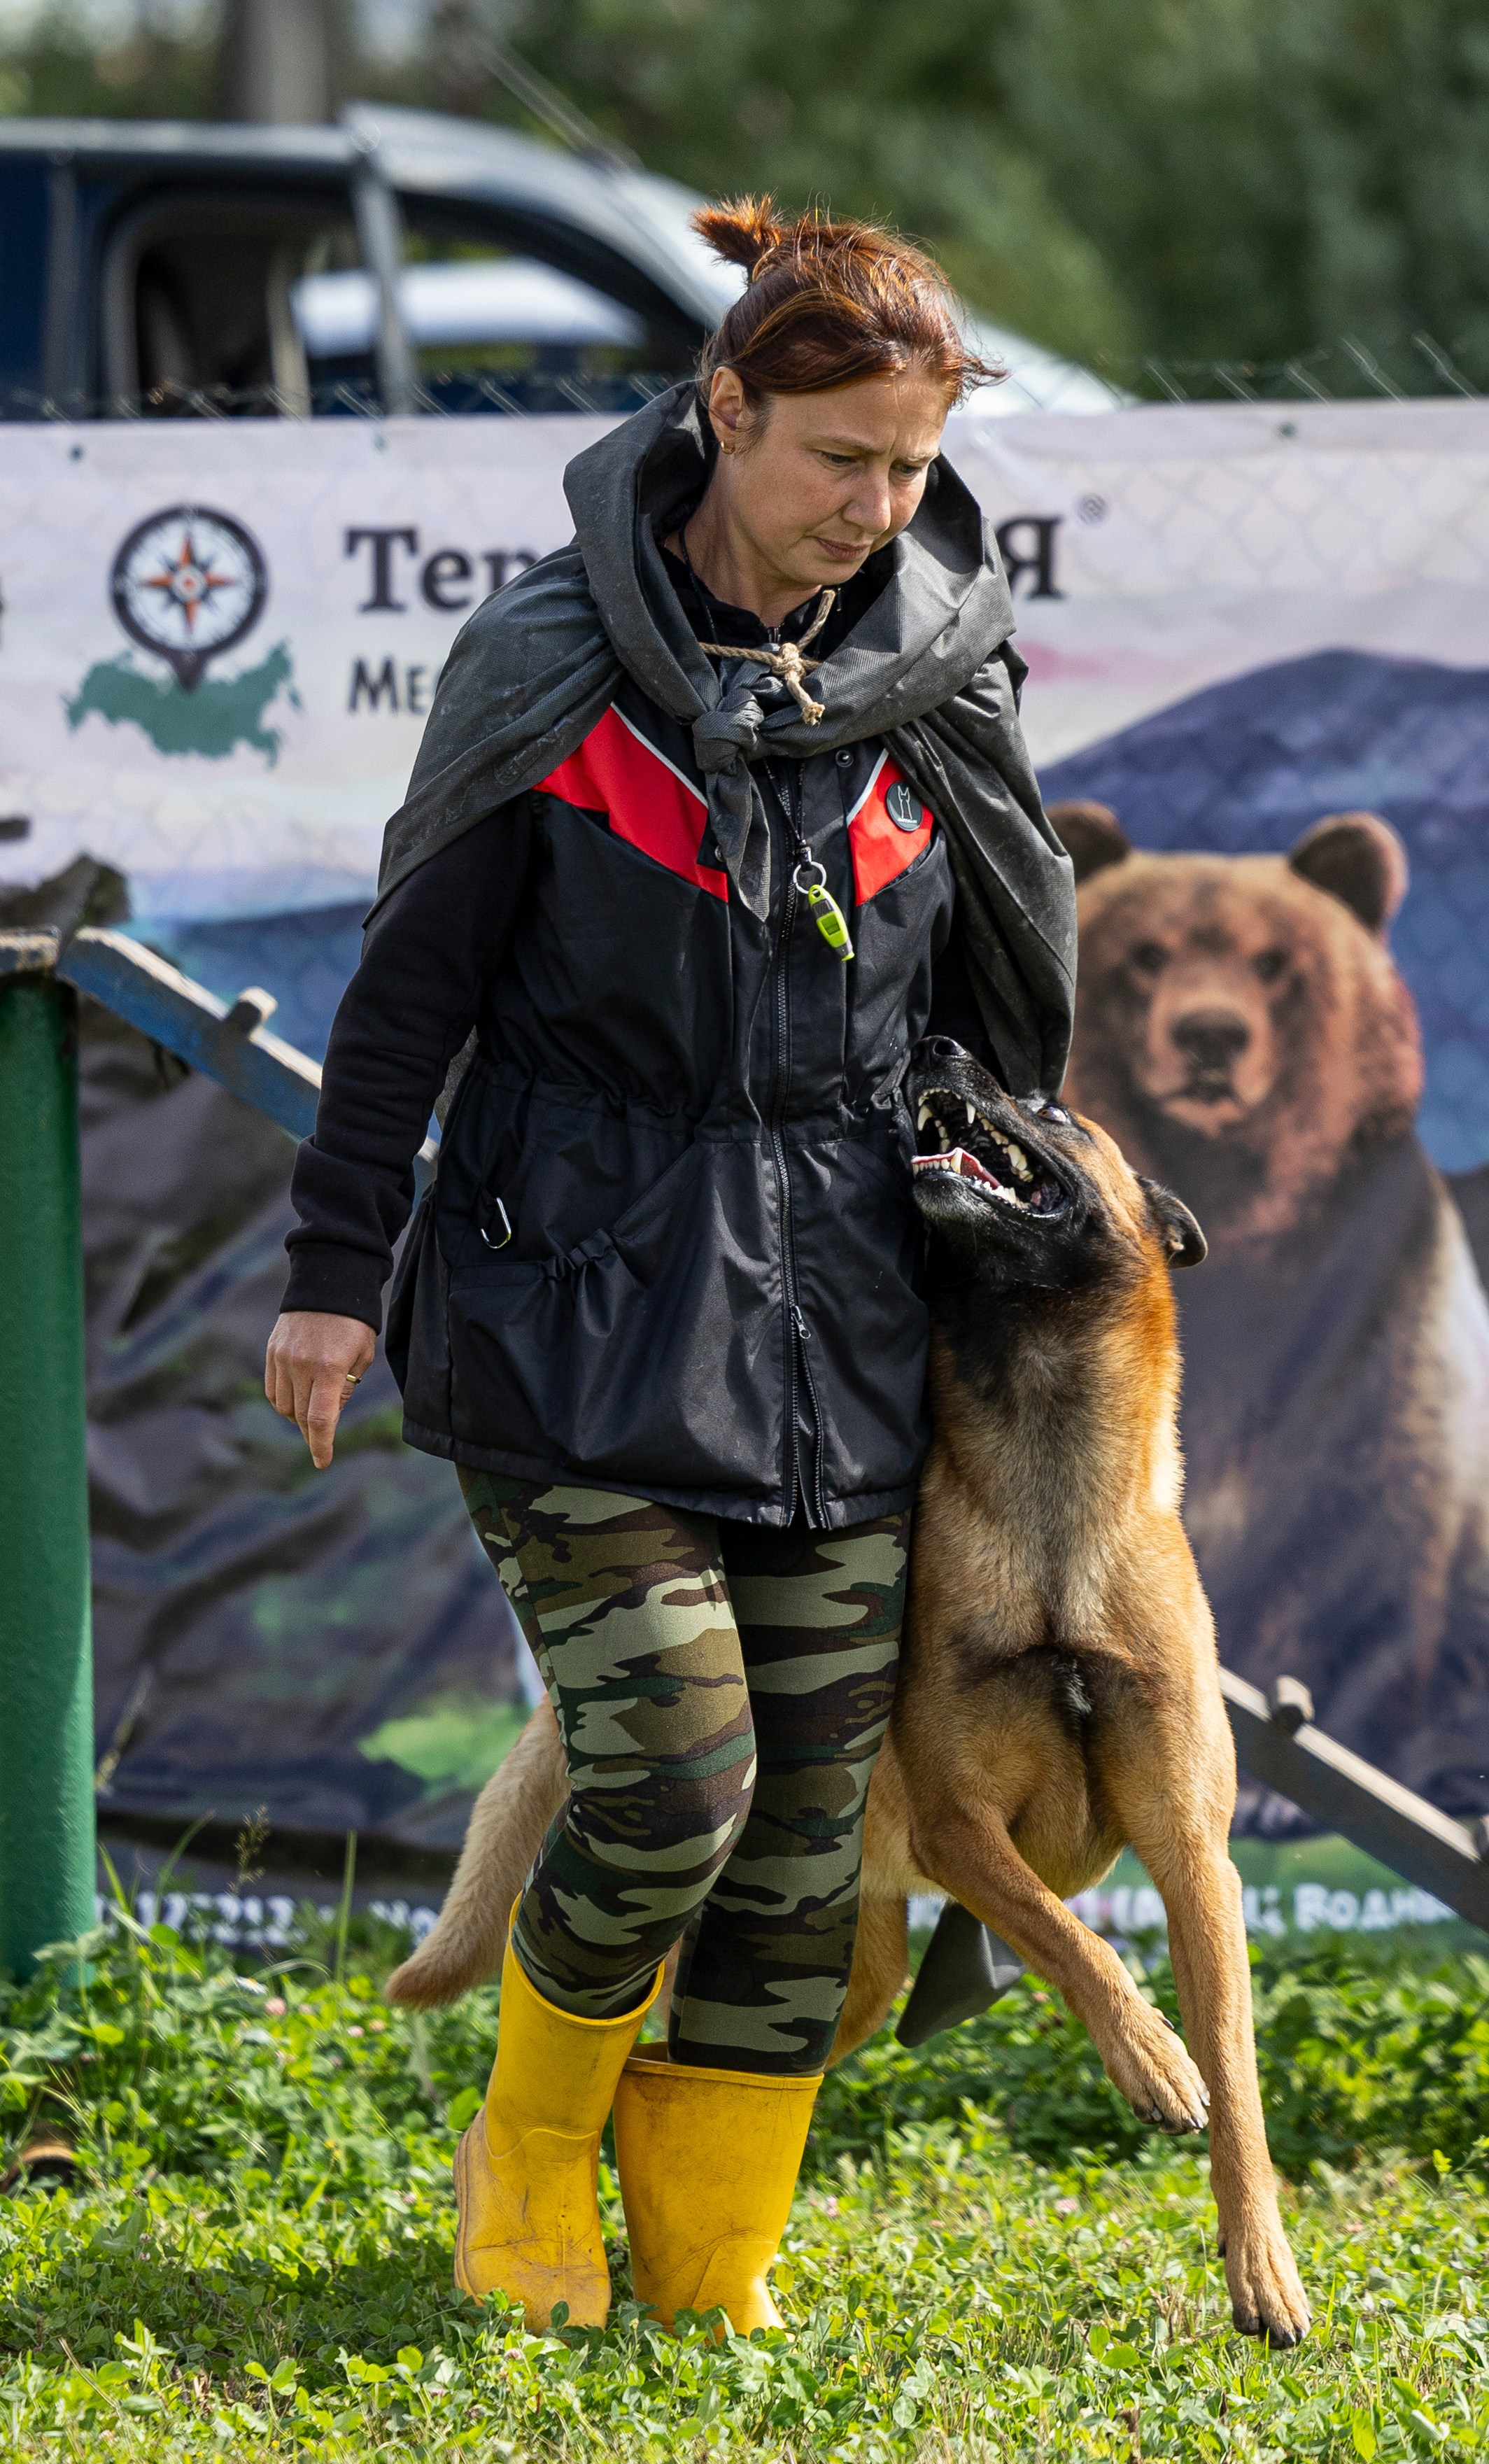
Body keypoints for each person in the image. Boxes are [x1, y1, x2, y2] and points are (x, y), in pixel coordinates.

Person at [265, 197, 1076, 2339]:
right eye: (837, 459)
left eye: (909, 467)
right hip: (567, 1304)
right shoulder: (546, 661)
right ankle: (528, 2147)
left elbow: (995, 1010)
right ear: (723, 408)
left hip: (843, 1325)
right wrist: (334, 1268)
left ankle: (709, 2244)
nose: (873, 510)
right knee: (671, 1771)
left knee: (809, 1833)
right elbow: (406, 1001)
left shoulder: (934, 674)